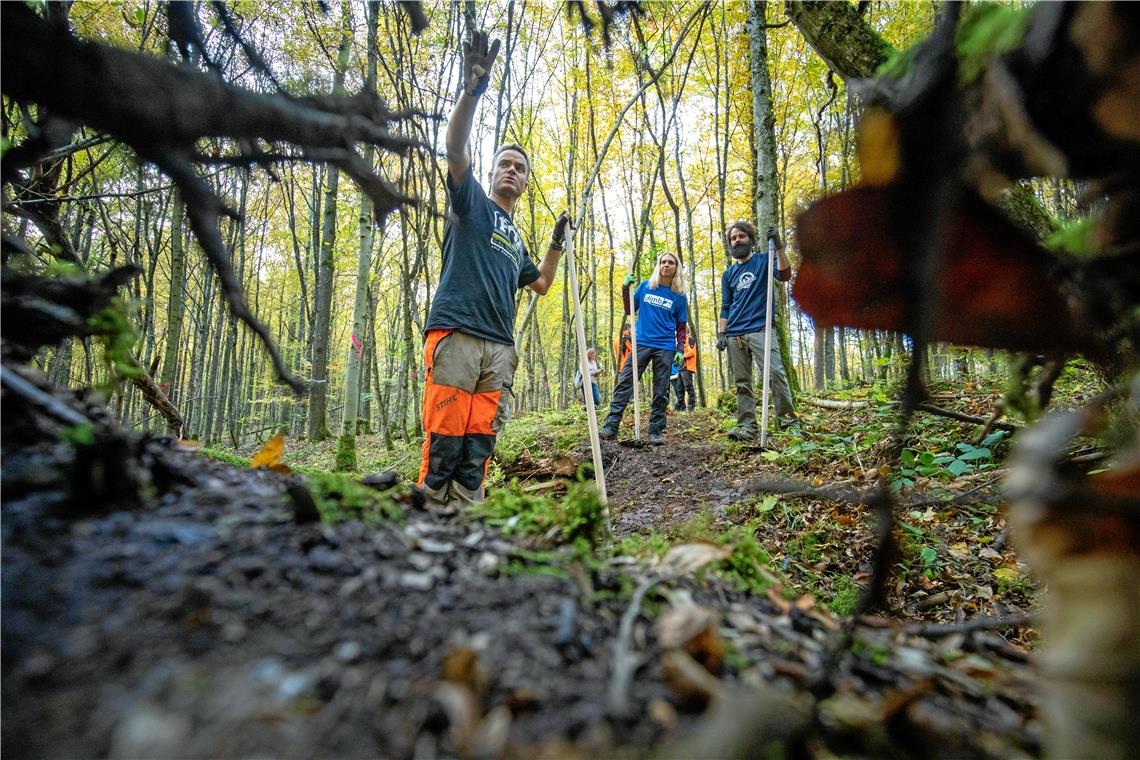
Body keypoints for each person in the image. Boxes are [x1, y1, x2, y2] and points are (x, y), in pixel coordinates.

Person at [418, 29, 567, 506]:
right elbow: (455, 148)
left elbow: (541, 284)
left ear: (524, 183)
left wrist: (555, 246)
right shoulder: (471, 202)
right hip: (457, 332)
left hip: (500, 348)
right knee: (444, 440)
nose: (512, 171)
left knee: (479, 443)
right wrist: (472, 92)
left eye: (520, 169)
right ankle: (425, 522)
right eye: (505, 164)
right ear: (491, 171)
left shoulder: (516, 237)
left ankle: (468, 524)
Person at [717, 221, 798, 440]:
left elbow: (785, 275)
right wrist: (721, 333)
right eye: (733, 238)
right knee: (742, 383)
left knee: (775, 373)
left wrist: (779, 245)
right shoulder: (729, 274)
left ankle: (788, 421)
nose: (737, 241)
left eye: (741, 236)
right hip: (735, 333)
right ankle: (747, 427)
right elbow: (726, 306)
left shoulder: (764, 260)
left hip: (761, 329)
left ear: (751, 240)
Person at [598, 252, 688, 445]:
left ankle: (655, 431)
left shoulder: (679, 296)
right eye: (663, 261)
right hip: (642, 343)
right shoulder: (646, 286)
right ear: (658, 265)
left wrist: (680, 349)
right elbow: (629, 308)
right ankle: (611, 426)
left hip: (665, 346)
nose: (666, 265)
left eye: (670, 263)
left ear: (676, 268)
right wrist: (625, 288)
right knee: (625, 383)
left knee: (661, 390)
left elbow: (681, 326)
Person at [672, 332, 697, 411]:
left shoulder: (690, 339)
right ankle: (681, 405)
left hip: (687, 366)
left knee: (688, 386)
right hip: (681, 367)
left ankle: (691, 404)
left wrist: (683, 356)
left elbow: (692, 352)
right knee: (680, 387)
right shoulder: (681, 341)